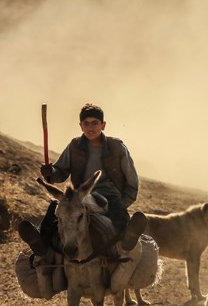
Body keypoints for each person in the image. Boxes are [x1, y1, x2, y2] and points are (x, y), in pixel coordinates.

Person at [18, 103, 147, 255]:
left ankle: (128, 239)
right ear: (80, 126)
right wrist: (50, 172)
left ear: (103, 125)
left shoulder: (117, 147)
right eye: (86, 124)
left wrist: (123, 202)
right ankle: (40, 243)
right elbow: (60, 172)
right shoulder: (74, 146)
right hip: (77, 197)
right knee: (55, 208)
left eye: (95, 123)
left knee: (119, 216)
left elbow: (132, 180)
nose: (90, 128)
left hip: (109, 196)